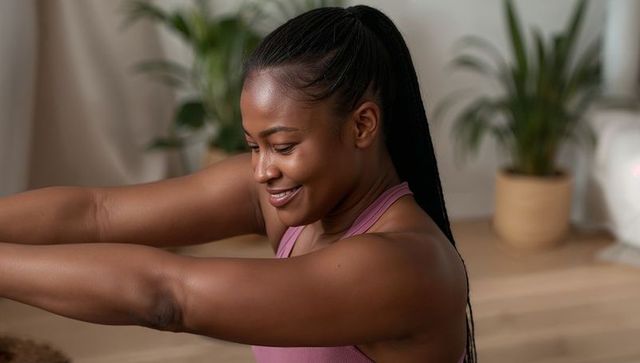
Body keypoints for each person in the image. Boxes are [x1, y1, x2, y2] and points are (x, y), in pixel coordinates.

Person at [0, 5, 476, 363]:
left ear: (362, 125)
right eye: (253, 146)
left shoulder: (405, 266)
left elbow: (168, 298)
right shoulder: (287, 198)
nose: (262, 170)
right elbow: (98, 213)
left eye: (283, 145)